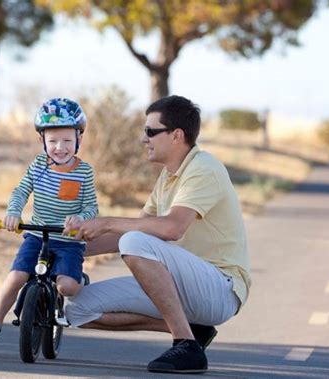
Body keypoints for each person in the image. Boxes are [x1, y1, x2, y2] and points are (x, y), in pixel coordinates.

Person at [63, 95, 251, 374]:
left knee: (134, 239)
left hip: (219, 288)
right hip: (176, 282)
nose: (143, 139)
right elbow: (133, 233)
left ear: (176, 136)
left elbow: (171, 229)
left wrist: (106, 221)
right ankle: (193, 332)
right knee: (78, 310)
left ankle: (185, 344)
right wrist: (66, 245)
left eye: (151, 131)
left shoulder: (203, 168)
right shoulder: (167, 176)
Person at [0, 98, 98, 345]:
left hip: (68, 240)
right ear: (42, 141)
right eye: (53, 141)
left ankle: (80, 279)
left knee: (67, 287)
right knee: (17, 276)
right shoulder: (39, 166)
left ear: (78, 139)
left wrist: (81, 218)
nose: (60, 147)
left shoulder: (84, 172)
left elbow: (92, 207)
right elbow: (20, 191)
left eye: (68, 140)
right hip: (37, 235)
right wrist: (13, 212)